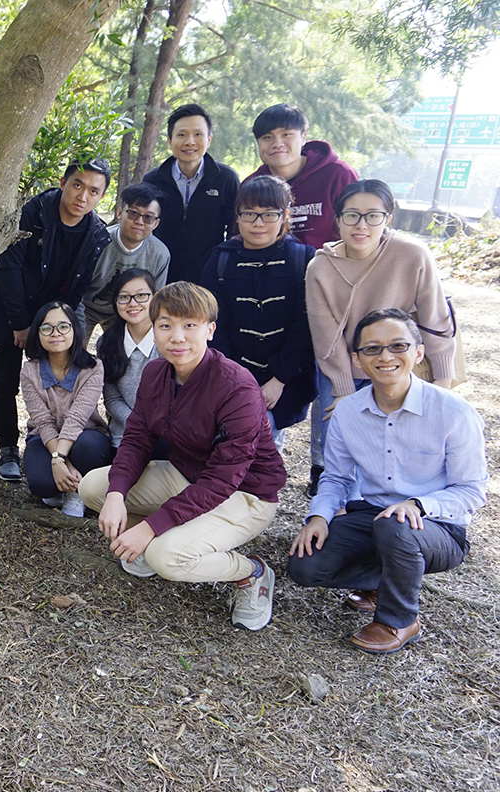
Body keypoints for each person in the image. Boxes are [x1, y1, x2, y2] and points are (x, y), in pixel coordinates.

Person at [77, 282, 285, 631]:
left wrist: (150, 527)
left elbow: (222, 480)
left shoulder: (236, 388)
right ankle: (163, 534)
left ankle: (251, 573)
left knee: (166, 557)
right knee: (94, 487)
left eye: (190, 325)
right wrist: (116, 494)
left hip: (246, 494)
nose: (178, 337)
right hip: (186, 476)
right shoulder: (156, 373)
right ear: (154, 329)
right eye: (166, 325)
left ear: (210, 330)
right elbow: (138, 437)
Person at [288, 309, 486, 654]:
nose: (385, 357)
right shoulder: (347, 412)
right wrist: (318, 517)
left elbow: (471, 491)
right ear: (356, 359)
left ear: (418, 352)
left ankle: (399, 619)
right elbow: (335, 477)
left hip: (436, 526)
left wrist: (419, 504)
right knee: (305, 566)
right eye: (372, 349)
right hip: (373, 515)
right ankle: (387, 579)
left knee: (396, 526)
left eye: (398, 346)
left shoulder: (454, 412)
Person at [305, 179, 455, 497]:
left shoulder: (413, 255)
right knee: (337, 438)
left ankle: (390, 509)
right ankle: (338, 507)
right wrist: (343, 391)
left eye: (373, 215)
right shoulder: (320, 267)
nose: (362, 225)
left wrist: (444, 377)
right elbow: (325, 336)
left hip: (395, 363)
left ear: (388, 218)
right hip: (344, 363)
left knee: (399, 440)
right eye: (352, 215)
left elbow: (435, 318)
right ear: (338, 219)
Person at [0, 157, 112, 481]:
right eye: (77, 184)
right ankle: (7, 448)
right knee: (6, 377)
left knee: (61, 376)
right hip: (10, 308)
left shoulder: (96, 234)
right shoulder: (32, 214)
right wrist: (21, 323)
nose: (83, 196)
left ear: (101, 196)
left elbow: (78, 285)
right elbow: (8, 267)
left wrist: (58, 324)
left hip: (54, 312)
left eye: (93, 191)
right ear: (63, 183)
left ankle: (61, 445)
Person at [200, 174, 316, 451]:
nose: (258, 223)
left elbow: (307, 326)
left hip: (284, 379)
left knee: (264, 446)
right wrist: (233, 378)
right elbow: (212, 321)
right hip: (230, 374)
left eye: (269, 214)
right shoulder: (222, 258)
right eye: (249, 214)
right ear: (237, 216)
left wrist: (279, 380)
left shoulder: (304, 258)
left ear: (285, 215)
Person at [20, 301, 112, 517]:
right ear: (38, 333)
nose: (55, 333)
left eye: (63, 326)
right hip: (45, 438)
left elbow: (77, 418)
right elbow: (42, 421)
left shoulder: (92, 367)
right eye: (46, 328)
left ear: (74, 330)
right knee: (41, 483)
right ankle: (67, 484)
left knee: (88, 447)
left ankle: (78, 493)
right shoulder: (29, 371)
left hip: (85, 435)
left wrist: (58, 460)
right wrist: (60, 461)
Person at [143, 103, 239, 285]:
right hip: (160, 274)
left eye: (198, 134)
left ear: (209, 139)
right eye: (181, 135)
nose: (190, 142)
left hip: (210, 275)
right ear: (169, 141)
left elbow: (234, 229)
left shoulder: (226, 179)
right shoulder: (152, 180)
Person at [246, 103, 358, 249]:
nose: (277, 144)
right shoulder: (252, 185)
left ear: (303, 137)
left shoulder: (338, 175)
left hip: (329, 266)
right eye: (267, 137)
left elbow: (359, 226)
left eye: (286, 135)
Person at [79, 181, 170, 337]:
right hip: (85, 307)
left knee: (122, 357)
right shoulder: (97, 242)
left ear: (156, 223)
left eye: (148, 217)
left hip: (127, 313)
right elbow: (75, 289)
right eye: (133, 213)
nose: (139, 222)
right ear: (120, 213)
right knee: (73, 353)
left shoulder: (160, 254)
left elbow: (154, 302)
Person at [96, 268, 164, 454]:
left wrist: (155, 426)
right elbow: (111, 398)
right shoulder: (107, 343)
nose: (133, 303)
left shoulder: (168, 339)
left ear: (154, 297)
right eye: (124, 297)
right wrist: (138, 423)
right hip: (126, 435)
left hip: (168, 434)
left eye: (141, 295)